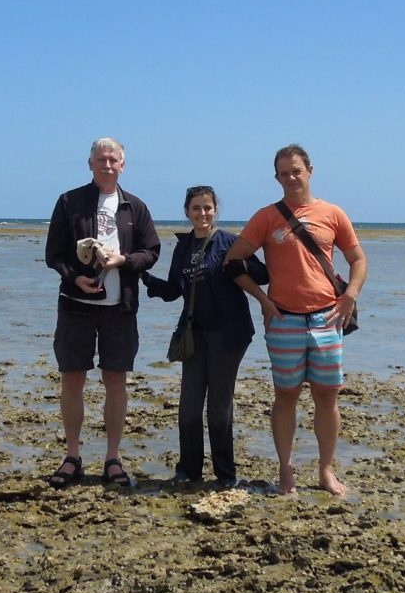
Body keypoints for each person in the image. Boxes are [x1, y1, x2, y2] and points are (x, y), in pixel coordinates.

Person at [224, 144, 367, 496]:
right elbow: (233, 262)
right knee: (285, 397)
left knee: (327, 397)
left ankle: (326, 470)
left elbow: (358, 260)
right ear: (276, 177)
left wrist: (350, 295)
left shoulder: (332, 213)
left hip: (327, 318)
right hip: (284, 320)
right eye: (283, 173)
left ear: (310, 171)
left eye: (296, 171)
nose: (290, 178)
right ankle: (286, 470)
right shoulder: (267, 216)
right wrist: (262, 299)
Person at [43, 137, 161, 488]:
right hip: (76, 307)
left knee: (115, 381)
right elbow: (54, 254)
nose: (107, 165)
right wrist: (74, 276)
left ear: (123, 165)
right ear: (90, 163)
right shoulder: (69, 202)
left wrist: (124, 260)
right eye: (101, 160)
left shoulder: (134, 207)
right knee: (72, 378)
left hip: (119, 307)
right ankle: (72, 456)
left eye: (113, 160)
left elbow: (152, 251)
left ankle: (112, 458)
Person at [141, 186, 269, 487]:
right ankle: (189, 470)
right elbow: (174, 290)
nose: (202, 213)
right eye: (196, 208)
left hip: (229, 335)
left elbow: (263, 274)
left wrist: (238, 263)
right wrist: (141, 276)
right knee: (188, 407)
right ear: (187, 212)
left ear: (215, 210)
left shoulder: (229, 242)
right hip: (195, 335)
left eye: (208, 207)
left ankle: (226, 475)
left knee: (218, 410)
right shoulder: (183, 247)